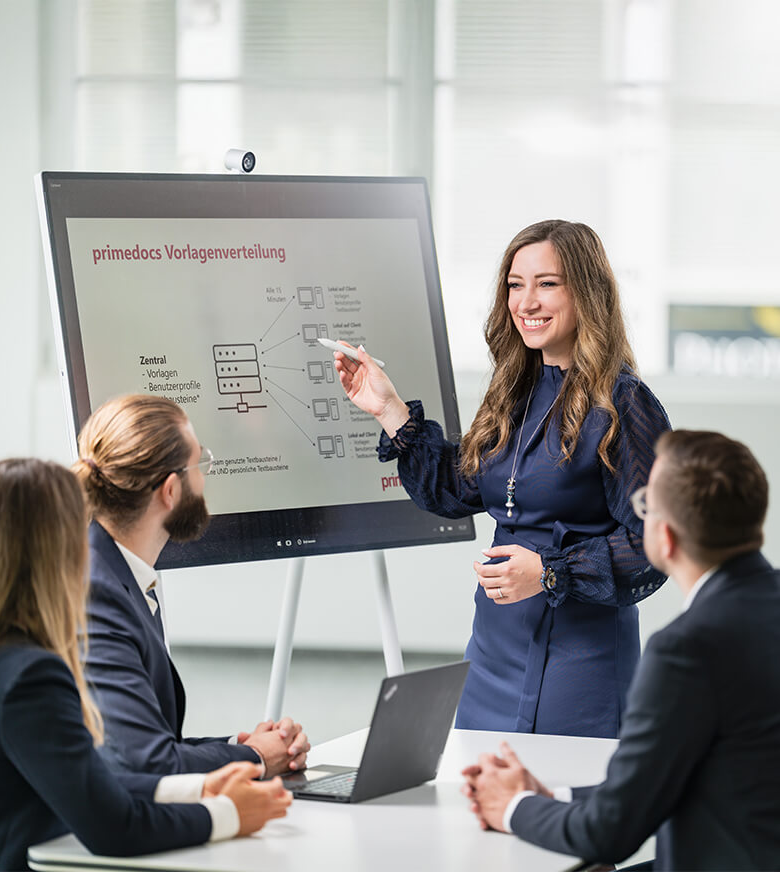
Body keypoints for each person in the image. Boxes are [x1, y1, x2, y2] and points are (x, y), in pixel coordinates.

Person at [334, 219, 671, 738]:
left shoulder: (624, 402)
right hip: (493, 653)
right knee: (480, 804)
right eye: (516, 285)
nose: (526, 302)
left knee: (557, 810)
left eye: (547, 284)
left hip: (579, 665)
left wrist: (550, 571)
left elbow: (656, 544)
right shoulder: (515, 389)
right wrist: (388, 409)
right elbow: (461, 488)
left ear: (587, 291)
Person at [0, 458, 292, 872]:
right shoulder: (29, 677)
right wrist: (227, 815)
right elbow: (113, 827)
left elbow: (84, 781)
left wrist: (197, 787)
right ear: (54, 550)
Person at [461, 430, 780, 870]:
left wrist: (513, 807)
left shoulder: (686, 650)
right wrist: (551, 797)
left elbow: (610, 833)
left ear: (664, 538)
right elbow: (674, 779)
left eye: (644, 505)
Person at [71, 394, 310, 776]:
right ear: (170, 491)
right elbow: (144, 762)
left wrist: (243, 747)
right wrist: (258, 759)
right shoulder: (94, 594)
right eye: (201, 462)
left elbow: (149, 741)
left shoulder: (115, 574)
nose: (205, 476)